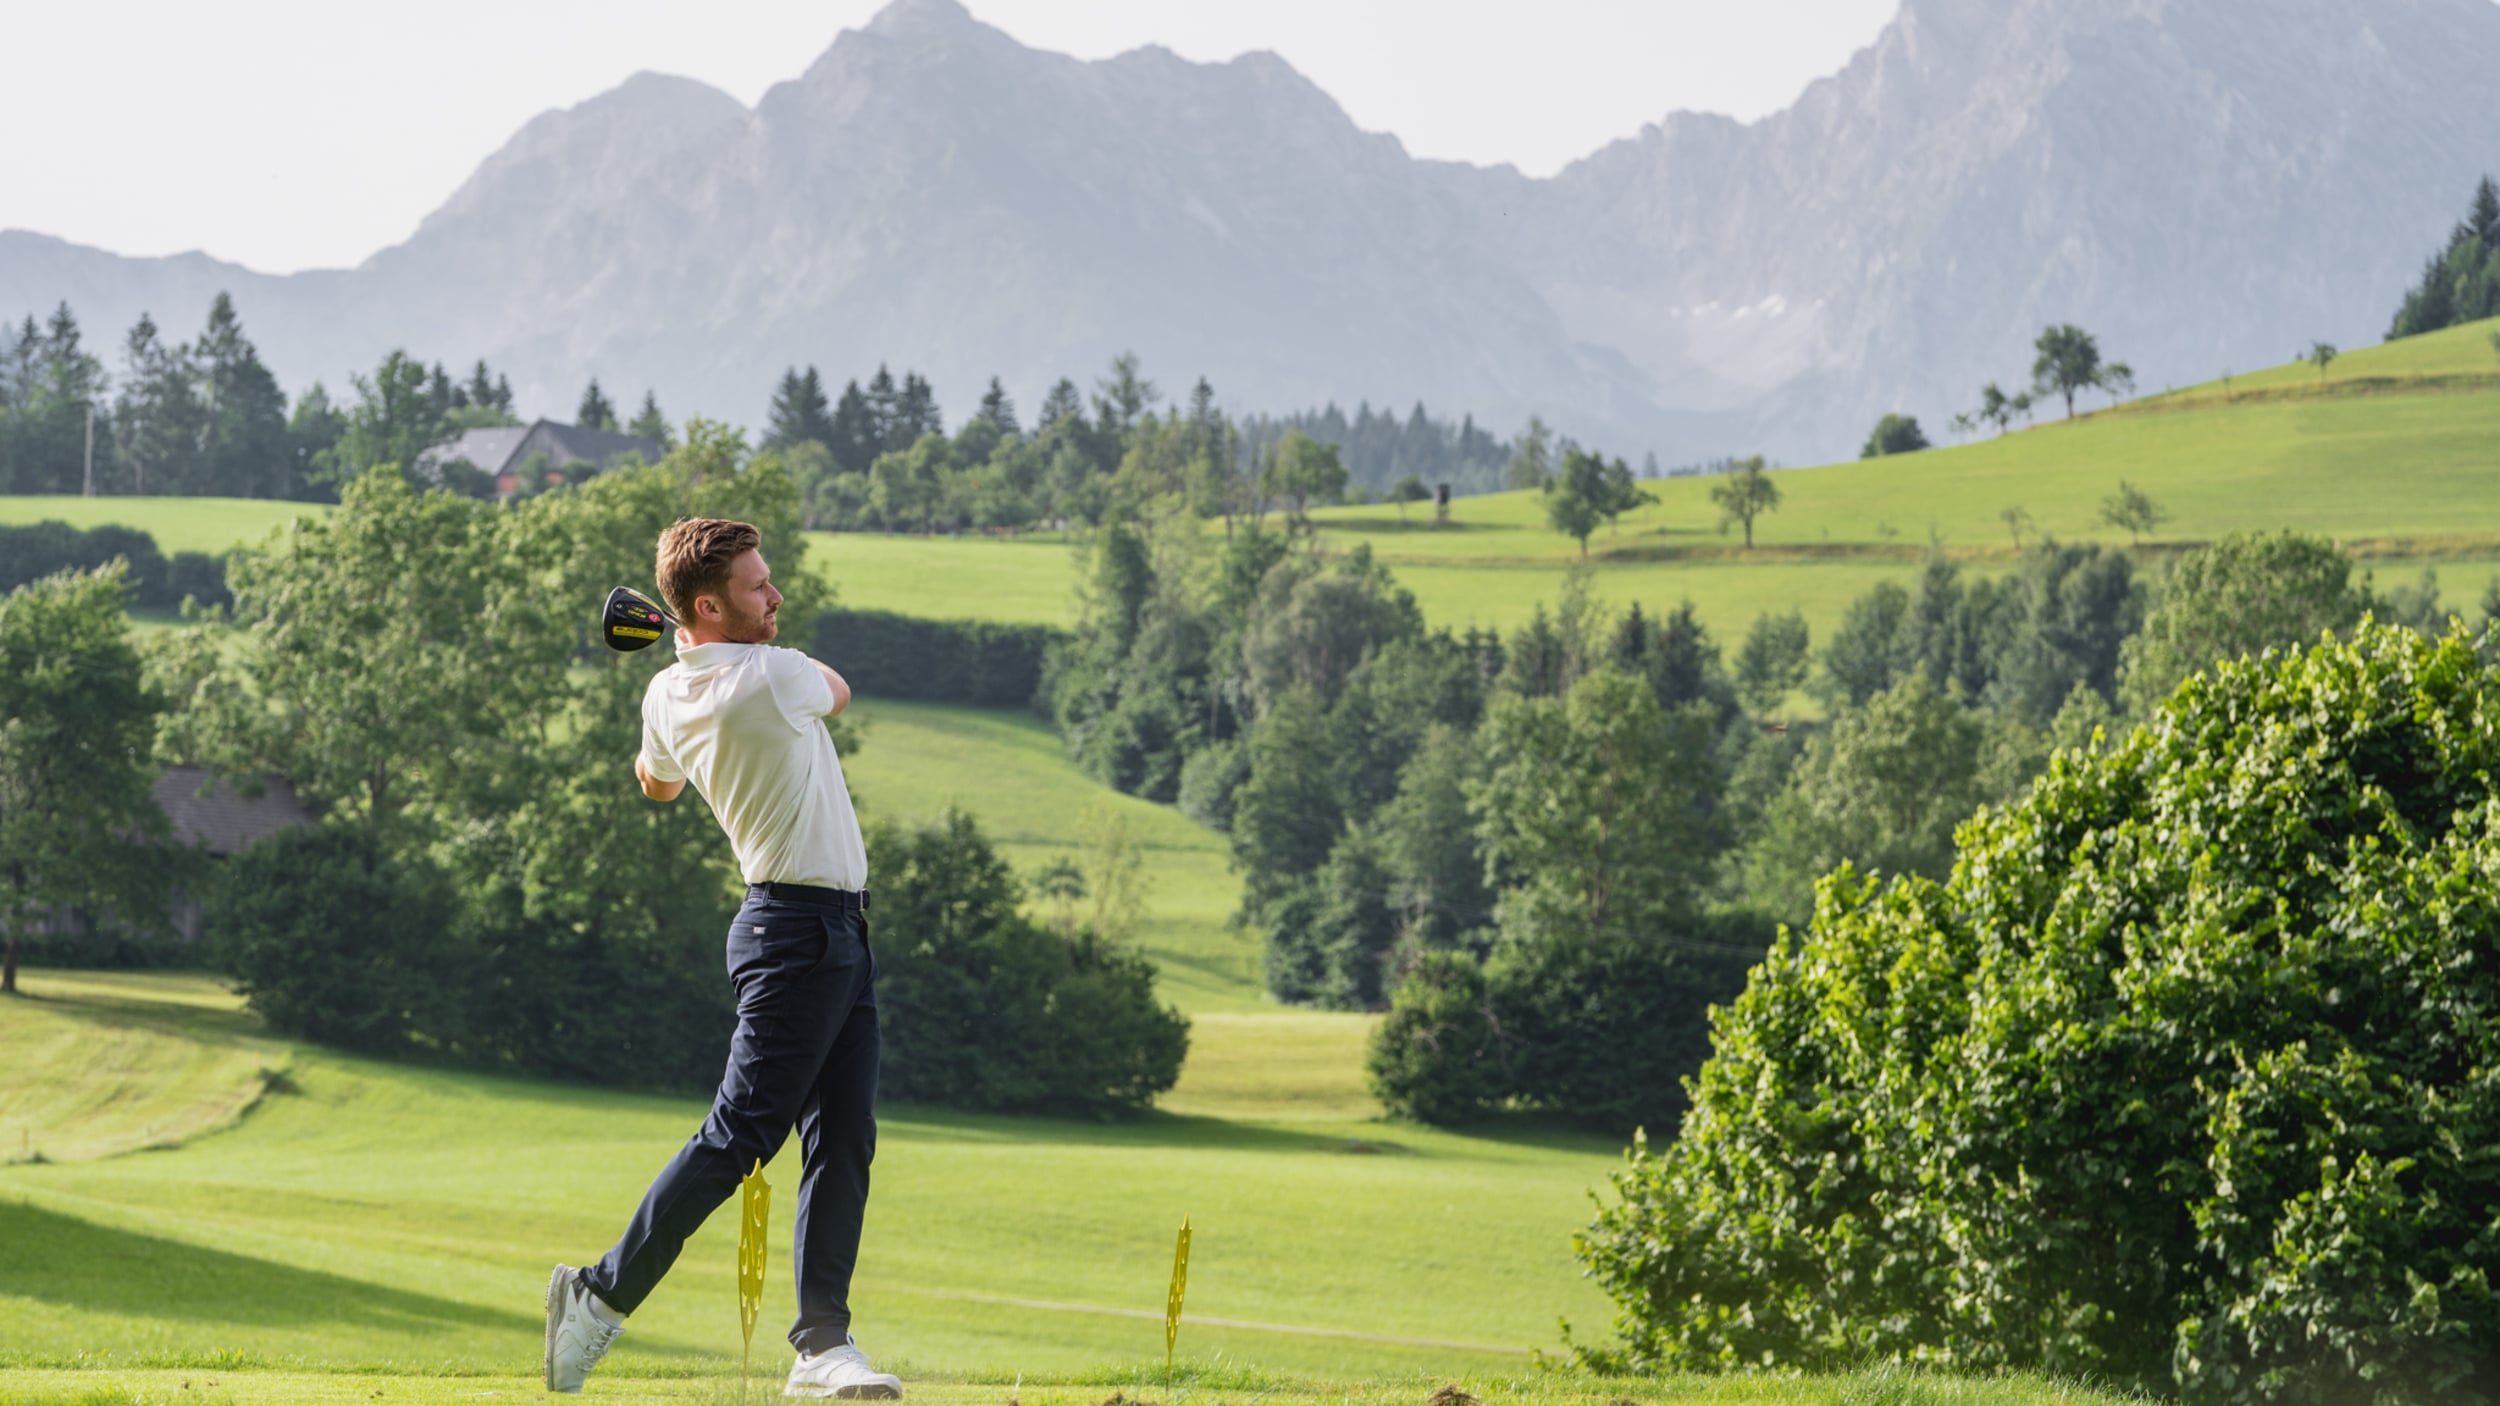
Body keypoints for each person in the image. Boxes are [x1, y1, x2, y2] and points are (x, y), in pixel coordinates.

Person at [545, 517, 901, 1399]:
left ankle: (822, 1347)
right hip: (797, 933)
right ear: (707, 603)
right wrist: (716, 655)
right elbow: (841, 690)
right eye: (757, 587)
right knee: (742, 1134)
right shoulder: (776, 677)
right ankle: (598, 1294)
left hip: (825, 931)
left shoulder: (666, 696)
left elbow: (655, 782)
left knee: (842, 1135)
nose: (776, 598)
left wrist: (689, 656)